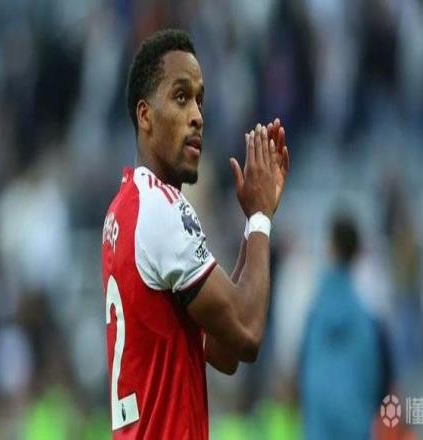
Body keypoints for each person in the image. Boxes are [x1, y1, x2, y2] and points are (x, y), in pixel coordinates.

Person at [101, 29, 289, 439]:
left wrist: (250, 226)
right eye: (181, 97)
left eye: (200, 100)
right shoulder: (161, 208)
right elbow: (248, 333)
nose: (198, 116)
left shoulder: (124, 209)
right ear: (145, 116)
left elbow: (224, 350)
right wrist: (261, 218)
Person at [298, 213, 391, 440]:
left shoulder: (314, 310)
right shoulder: (369, 312)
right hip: (357, 425)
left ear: (330, 248)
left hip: (319, 429)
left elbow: (301, 366)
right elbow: (383, 375)